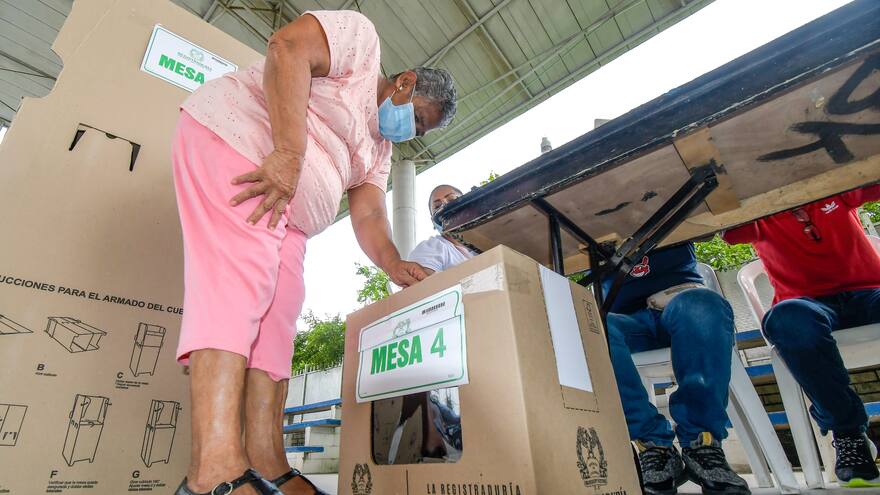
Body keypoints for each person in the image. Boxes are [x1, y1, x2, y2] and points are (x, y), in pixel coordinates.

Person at [171, 10, 457, 495]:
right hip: (249, 151)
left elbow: (369, 216)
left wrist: (393, 262)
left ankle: (266, 461)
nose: (412, 132)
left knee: (278, 321)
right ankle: (212, 469)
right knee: (236, 292)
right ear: (405, 83)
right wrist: (287, 153)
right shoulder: (362, 46)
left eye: (421, 133)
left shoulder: (380, 149)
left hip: (293, 218)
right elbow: (287, 48)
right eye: (418, 119)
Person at [722, 185, 880, 487]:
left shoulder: (834, 188)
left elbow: (867, 176)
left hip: (868, 292)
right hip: (807, 305)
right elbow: (729, 230)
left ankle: (836, 416)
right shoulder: (758, 212)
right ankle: (847, 433)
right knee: (787, 320)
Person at [604, 243, 750, 495]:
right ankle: (652, 444)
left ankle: (701, 442)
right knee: (594, 325)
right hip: (627, 321)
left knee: (702, 305)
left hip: (682, 300)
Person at [408, 184, 475, 274]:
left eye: (452, 200)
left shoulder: (487, 243)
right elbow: (423, 285)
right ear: (434, 222)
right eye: (437, 207)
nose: (445, 207)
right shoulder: (433, 247)